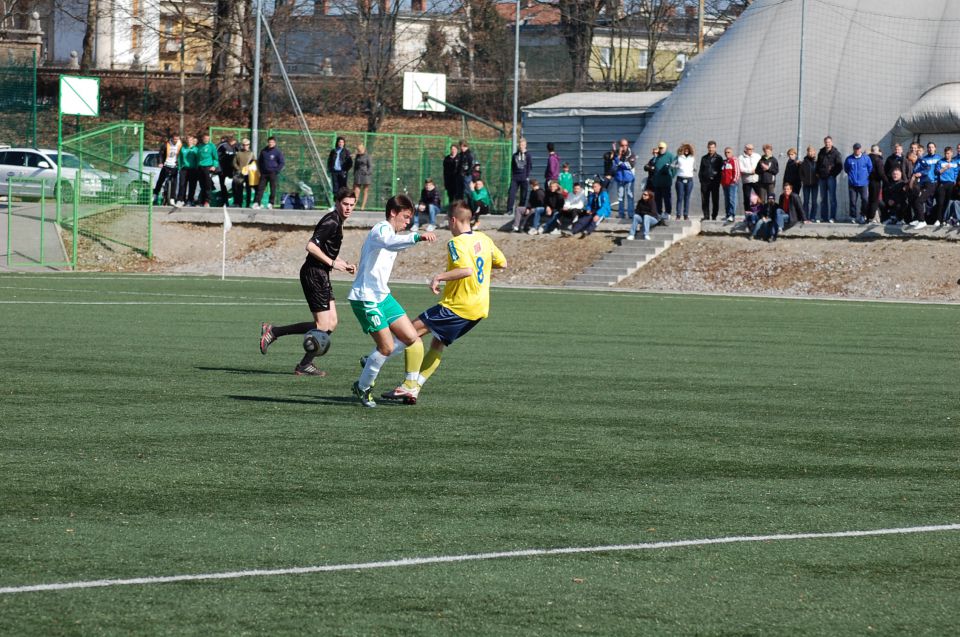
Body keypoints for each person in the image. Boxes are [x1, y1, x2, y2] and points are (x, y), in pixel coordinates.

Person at [380, 201, 506, 404]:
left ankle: (392, 374)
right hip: (479, 308)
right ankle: (415, 388)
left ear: (453, 220)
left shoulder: (456, 243)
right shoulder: (484, 239)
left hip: (457, 305)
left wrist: (439, 277)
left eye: (448, 221)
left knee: (410, 331)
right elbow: (503, 262)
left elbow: (465, 270)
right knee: (437, 343)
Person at [347, 194, 437, 408]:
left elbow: (395, 245)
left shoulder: (394, 233)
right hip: (366, 298)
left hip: (382, 296)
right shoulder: (381, 229)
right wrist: (417, 237)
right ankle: (362, 387)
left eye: (410, 219)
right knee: (386, 347)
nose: (408, 222)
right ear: (393, 213)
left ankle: (405, 382)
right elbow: (389, 243)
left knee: (412, 337)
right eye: (405, 217)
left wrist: (413, 238)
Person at [258, 187, 358, 376]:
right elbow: (311, 246)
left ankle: (305, 364)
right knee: (322, 326)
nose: (348, 208)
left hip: (322, 274)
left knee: (332, 322)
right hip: (313, 274)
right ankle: (274, 332)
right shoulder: (331, 220)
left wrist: (343, 264)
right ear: (337, 203)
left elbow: (328, 251)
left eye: (352, 205)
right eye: (345, 204)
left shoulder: (338, 221)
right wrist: (332, 263)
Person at [911, 141, 940, 228]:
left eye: (932, 147)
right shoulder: (920, 160)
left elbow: (929, 168)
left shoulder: (937, 158)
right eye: (929, 147)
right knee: (922, 201)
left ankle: (935, 220)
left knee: (937, 202)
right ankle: (922, 220)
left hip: (933, 183)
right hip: (925, 184)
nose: (930, 149)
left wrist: (921, 173)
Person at [816, 136, 843, 222]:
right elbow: (818, 164)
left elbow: (839, 166)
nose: (827, 144)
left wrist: (833, 175)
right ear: (824, 143)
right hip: (822, 178)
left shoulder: (836, 153)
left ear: (831, 142)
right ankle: (824, 217)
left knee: (832, 199)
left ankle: (832, 217)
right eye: (826, 142)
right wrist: (817, 173)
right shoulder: (821, 152)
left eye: (829, 142)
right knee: (823, 199)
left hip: (831, 178)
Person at [844, 143, 872, 224]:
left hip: (863, 183)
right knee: (852, 201)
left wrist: (865, 176)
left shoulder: (866, 158)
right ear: (853, 149)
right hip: (852, 184)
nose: (857, 150)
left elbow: (870, 168)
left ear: (860, 149)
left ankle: (863, 215)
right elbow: (846, 169)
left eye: (858, 148)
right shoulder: (849, 159)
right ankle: (853, 216)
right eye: (856, 149)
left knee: (865, 199)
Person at [254, 136, 285, 210]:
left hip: (272, 173)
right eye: (269, 142)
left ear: (275, 143)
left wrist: (276, 171)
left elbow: (281, 162)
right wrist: (261, 170)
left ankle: (271, 203)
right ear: (268, 142)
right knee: (260, 188)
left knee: (273, 189)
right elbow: (259, 161)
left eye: (272, 142)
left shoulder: (277, 152)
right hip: (264, 173)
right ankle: (257, 203)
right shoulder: (264, 151)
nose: (270, 143)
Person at [647, 141, 675, 218]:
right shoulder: (657, 156)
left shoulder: (670, 156)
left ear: (665, 148)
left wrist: (671, 175)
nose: (660, 149)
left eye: (662, 148)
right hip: (657, 182)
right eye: (659, 148)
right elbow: (652, 165)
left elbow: (675, 167)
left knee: (667, 198)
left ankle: (668, 212)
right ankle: (658, 212)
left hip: (666, 181)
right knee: (657, 198)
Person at [153, 132, 181, 206]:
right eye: (175, 139)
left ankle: (172, 198)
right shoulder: (166, 144)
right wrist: (160, 162)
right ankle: (155, 195)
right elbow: (161, 154)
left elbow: (181, 155)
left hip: (175, 166)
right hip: (166, 165)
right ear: (172, 138)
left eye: (177, 139)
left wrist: (180, 163)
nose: (176, 141)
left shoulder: (180, 144)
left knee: (174, 182)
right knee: (160, 180)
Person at [612, 138, 637, 219]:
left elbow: (630, 165)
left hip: (629, 178)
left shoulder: (631, 154)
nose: (624, 147)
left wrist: (618, 162)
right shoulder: (616, 154)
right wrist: (618, 156)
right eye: (622, 145)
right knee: (620, 197)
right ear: (620, 146)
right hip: (619, 178)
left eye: (625, 145)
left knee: (630, 196)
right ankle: (621, 214)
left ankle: (630, 214)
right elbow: (613, 167)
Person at [506, 138, 532, 217]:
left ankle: (521, 210)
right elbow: (513, 166)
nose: (521, 146)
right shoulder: (515, 155)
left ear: (525, 145)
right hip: (515, 177)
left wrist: (527, 176)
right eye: (520, 145)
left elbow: (529, 166)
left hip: (524, 177)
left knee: (523, 195)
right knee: (511, 193)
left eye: (523, 145)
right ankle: (509, 209)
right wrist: (513, 176)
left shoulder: (528, 155)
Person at [698, 140, 723, 220]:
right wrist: (701, 180)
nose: (711, 149)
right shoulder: (704, 158)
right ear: (707, 148)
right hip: (705, 183)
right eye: (709, 147)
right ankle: (706, 216)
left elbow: (721, 171)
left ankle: (714, 216)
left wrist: (718, 180)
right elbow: (701, 170)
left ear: (715, 148)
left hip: (715, 183)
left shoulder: (719, 158)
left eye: (712, 147)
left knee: (715, 200)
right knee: (705, 200)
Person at [934, 146, 958, 227]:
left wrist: (954, 180)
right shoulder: (940, 162)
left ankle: (946, 219)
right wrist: (944, 168)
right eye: (945, 153)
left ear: (951, 153)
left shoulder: (954, 163)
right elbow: (937, 172)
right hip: (942, 184)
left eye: (948, 153)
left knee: (948, 203)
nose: (947, 155)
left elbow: (956, 173)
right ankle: (938, 219)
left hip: (951, 184)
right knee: (940, 203)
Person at [195, 132, 220, 208]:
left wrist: (214, 166)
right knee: (202, 185)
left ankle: (207, 201)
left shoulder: (212, 146)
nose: (206, 140)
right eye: (205, 138)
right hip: (200, 167)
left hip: (208, 167)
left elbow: (215, 158)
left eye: (207, 138)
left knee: (207, 185)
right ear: (202, 138)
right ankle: (201, 201)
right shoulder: (199, 146)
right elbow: (197, 158)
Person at [174, 135, 198, 207]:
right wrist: (179, 167)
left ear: (193, 141)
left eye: (190, 140)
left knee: (192, 185)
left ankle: (190, 200)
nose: (189, 141)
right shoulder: (183, 148)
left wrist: (197, 168)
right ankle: (180, 200)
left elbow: (197, 159)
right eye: (188, 140)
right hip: (184, 169)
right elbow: (179, 158)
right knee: (182, 184)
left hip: (193, 169)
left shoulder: (196, 149)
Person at [673, 142, 695, 220]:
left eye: (687, 149)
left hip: (689, 179)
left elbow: (694, 166)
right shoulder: (678, 157)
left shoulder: (692, 157)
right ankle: (678, 214)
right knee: (680, 197)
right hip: (680, 179)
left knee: (687, 197)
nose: (686, 151)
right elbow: (672, 164)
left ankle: (686, 214)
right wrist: (676, 166)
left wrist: (694, 169)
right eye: (685, 149)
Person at [232, 139, 255, 208]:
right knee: (239, 189)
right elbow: (234, 162)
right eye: (244, 145)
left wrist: (249, 168)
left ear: (249, 145)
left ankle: (248, 204)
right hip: (239, 174)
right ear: (242, 145)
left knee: (248, 189)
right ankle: (239, 203)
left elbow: (254, 162)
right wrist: (238, 169)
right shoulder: (238, 153)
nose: (245, 146)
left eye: (247, 145)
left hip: (248, 174)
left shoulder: (251, 154)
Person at [738, 143, 761, 212]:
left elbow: (761, 165)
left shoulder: (757, 156)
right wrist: (750, 171)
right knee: (747, 197)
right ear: (745, 149)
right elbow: (741, 169)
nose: (751, 150)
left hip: (757, 180)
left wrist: (756, 170)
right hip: (747, 181)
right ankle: (748, 213)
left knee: (760, 196)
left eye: (752, 149)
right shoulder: (741, 157)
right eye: (749, 149)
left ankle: (760, 212)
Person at [798, 146, 819, 222]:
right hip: (806, 185)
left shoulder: (817, 162)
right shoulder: (804, 162)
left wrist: (817, 177)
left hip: (815, 184)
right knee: (806, 201)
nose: (810, 153)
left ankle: (812, 217)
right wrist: (803, 180)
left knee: (814, 201)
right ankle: (805, 217)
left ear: (814, 152)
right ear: (807, 152)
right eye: (809, 151)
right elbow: (800, 173)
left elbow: (819, 171)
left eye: (812, 151)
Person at [216, 136, 238, 205]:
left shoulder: (236, 147)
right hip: (222, 168)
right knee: (222, 184)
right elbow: (216, 157)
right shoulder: (222, 146)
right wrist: (218, 168)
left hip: (231, 169)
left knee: (235, 183)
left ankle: (236, 201)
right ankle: (224, 200)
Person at [720, 146, 740, 222]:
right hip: (725, 184)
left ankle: (732, 215)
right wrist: (722, 182)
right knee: (727, 200)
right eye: (725, 152)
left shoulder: (734, 160)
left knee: (732, 199)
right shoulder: (724, 162)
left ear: (732, 153)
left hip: (732, 184)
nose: (727, 154)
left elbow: (737, 172)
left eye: (728, 152)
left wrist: (733, 181)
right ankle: (728, 214)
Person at [867, 145, 884, 223]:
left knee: (871, 199)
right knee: (875, 200)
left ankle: (869, 216)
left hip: (869, 181)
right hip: (876, 181)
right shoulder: (878, 159)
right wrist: (887, 182)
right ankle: (872, 217)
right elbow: (881, 173)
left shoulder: (868, 158)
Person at [352, 143, 372, 210]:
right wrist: (354, 173)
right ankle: (354, 205)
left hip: (366, 176)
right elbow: (355, 166)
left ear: (363, 148)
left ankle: (363, 206)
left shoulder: (368, 156)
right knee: (356, 191)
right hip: (358, 175)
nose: (359, 150)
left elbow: (370, 166)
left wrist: (367, 172)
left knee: (365, 191)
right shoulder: (357, 156)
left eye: (360, 149)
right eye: (358, 149)